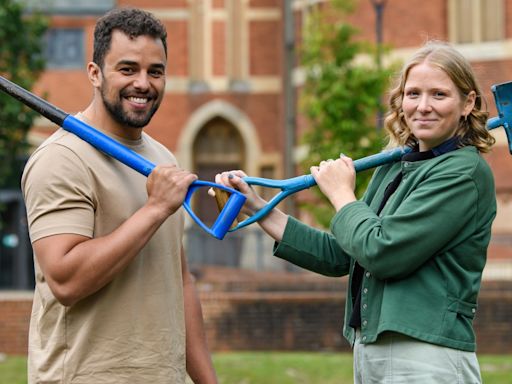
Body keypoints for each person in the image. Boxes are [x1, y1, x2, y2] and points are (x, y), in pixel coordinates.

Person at [215, 40, 496, 383]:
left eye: (439, 95)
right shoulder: (395, 166)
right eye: (413, 94)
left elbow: (383, 251)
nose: (423, 106)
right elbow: (343, 254)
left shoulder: (462, 173)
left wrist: (342, 195)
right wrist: (260, 209)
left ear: (468, 103)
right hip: (370, 351)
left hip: (425, 355)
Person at [21, 8, 217, 384]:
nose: (143, 83)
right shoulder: (62, 159)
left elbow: (179, 281)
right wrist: (156, 208)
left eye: (154, 71)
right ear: (95, 73)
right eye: (127, 69)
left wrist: (208, 381)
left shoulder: (162, 159)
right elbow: (65, 281)